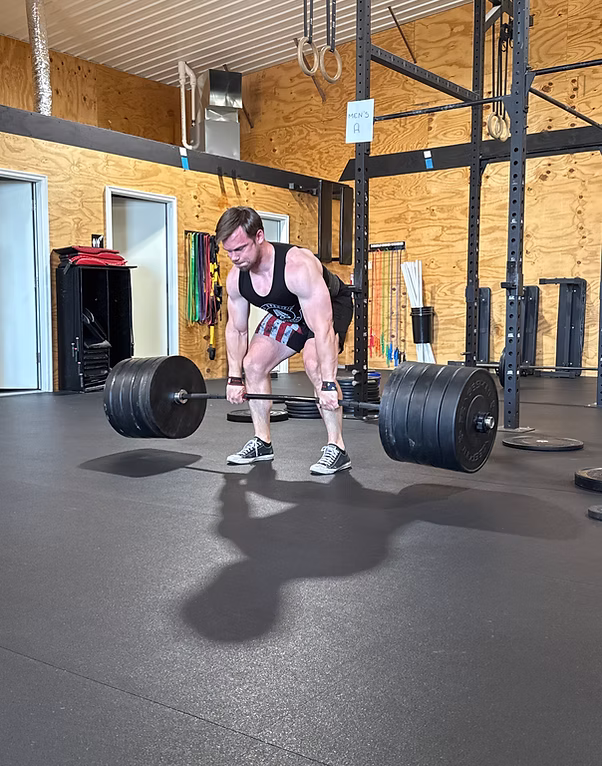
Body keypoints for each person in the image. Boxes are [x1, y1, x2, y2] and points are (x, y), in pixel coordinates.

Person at [216, 206, 354, 475]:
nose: (234, 258)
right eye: (228, 251)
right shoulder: (236, 277)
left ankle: (337, 448)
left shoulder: (297, 266)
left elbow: (323, 328)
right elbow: (236, 330)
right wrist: (234, 377)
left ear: (259, 236)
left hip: (328, 309)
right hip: (289, 313)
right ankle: (262, 442)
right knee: (253, 364)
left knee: (314, 363)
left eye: (240, 249)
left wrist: (327, 382)